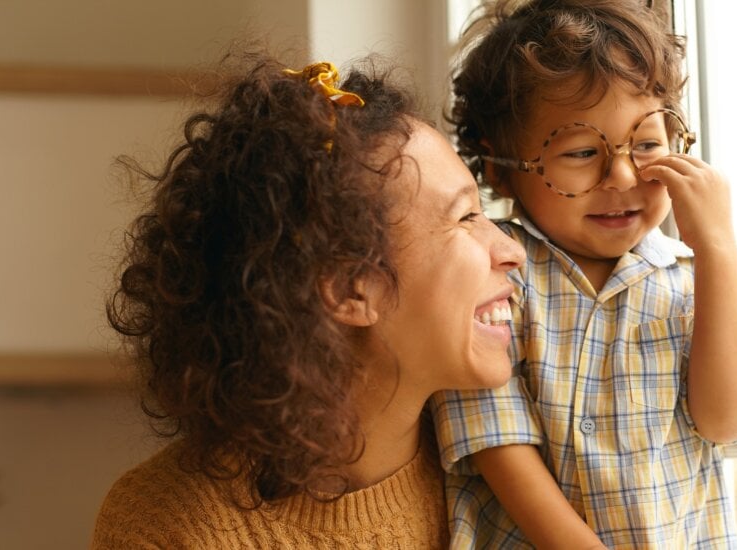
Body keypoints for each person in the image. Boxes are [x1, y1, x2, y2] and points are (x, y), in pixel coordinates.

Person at [90, 53, 526, 548]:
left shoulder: (511, 470)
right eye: (466, 217)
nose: (512, 252)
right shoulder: (171, 527)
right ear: (349, 288)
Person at [430, 1, 737, 547]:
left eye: (646, 145)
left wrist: (718, 247)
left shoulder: (693, 281)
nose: (620, 175)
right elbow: (496, 442)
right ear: (499, 167)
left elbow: (726, 420)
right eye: (583, 150)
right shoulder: (490, 276)